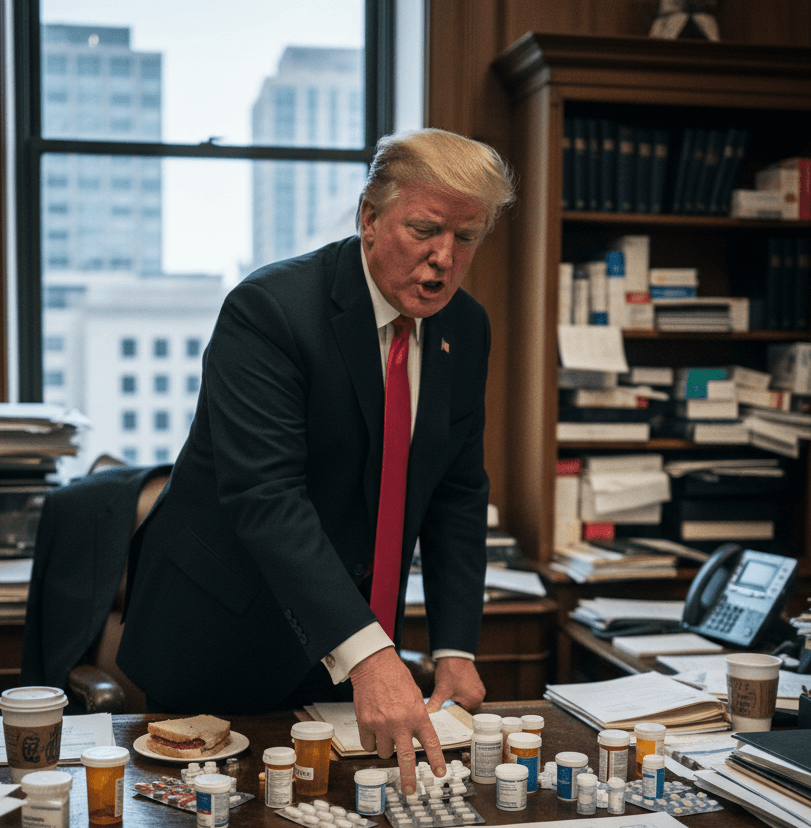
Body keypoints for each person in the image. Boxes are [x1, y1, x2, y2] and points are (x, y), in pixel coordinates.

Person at [117, 128, 515, 792]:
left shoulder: (463, 328)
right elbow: (266, 496)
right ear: (369, 218)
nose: (444, 259)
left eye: (466, 237)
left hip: (340, 648)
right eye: (424, 229)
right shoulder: (270, 310)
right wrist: (369, 653)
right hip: (220, 634)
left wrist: (453, 648)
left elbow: (456, 492)